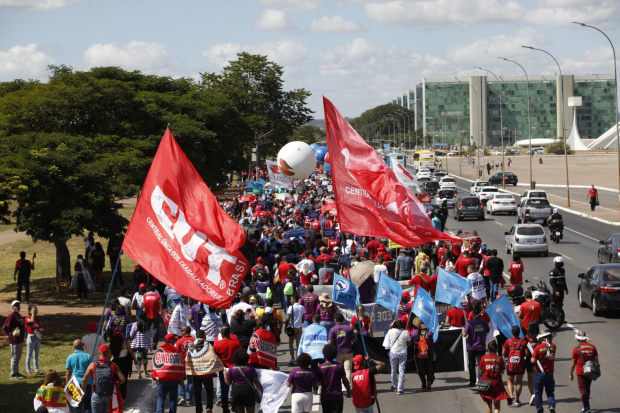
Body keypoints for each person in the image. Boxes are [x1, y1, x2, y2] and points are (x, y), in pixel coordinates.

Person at [81, 344, 126, 413]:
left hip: (96, 394)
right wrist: (118, 383)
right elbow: (123, 379)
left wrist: (82, 390)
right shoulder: (112, 365)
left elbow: (84, 379)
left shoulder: (93, 365)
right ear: (108, 353)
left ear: (99, 353)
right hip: (108, 395)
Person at [151, 334, 184, 413]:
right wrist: (182, 378)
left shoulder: (159, 350)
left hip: (162, 378)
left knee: (161, 397)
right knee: (173, 398)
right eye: (174, 340)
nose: (175, 341)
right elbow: (180, 365)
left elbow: (154, 364)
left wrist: (153, 376)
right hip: (174, 379)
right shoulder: (176, 350)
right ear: (171, 341)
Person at [314, 344, 351, 413]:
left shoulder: (320, 367)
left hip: (325, 396)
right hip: (337, 396)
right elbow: (345, 380)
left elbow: (318, 383)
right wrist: (348, 390)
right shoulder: (339, 366)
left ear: (324, 355)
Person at [225, 348, 263, 413]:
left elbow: (228, 383)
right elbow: (256, 381)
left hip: (236, 391)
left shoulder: (232, 368)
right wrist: (262, 391)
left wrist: (224, 375)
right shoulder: (250, 367)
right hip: (248, 391)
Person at [213, 325, 241, 413]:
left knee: (224, 390)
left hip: (223, 369)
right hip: (235, 368)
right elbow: (241, 354)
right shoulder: (236, 343)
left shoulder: (218, 344)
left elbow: (215, 356)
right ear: (229, 333)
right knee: (235, 389)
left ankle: (225, 409)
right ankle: (234, 406)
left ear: (222, 334)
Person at [569, 331, 599, 412]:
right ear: (586, 338)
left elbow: (573, 363)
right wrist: (596, 373)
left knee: (582, 389)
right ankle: (584, 405)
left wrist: (571, 374)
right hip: (590, 372)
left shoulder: (576, 349)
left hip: (580, 372)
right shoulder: (593, 347)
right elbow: (596, 361)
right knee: (587, 388)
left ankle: (586, 407)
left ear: (578, 340)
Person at [479, 341, 512, 413]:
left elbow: (481, 370)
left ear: (488, 348)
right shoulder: (499, 358)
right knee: (497, 404)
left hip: (486, 383)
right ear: (497, 349)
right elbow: (502, 371)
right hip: (497, 383)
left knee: (488, 403)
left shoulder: (484, 358)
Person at [463, 302, 490, 387]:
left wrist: (462, 329)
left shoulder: (469, 323)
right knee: (480, 365)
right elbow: (488, 330)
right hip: (481, 347)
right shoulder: (484, 322)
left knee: (471, 364)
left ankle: (472, 381)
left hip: (471, 347)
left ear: (473, 314)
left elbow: (464, 334)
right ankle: (481, 381)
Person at [531, 330, 557, 413]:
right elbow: (549, 346)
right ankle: (551, 405)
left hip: (539, 374)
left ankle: (540, 410)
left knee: (538, 393)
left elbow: (533, 360)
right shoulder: (553, 346)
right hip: (549, 374)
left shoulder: (537, 348)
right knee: (550, 392)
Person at [328, 313, 357, 385]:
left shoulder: (333, 329)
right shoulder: (349, 328)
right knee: (347, 370)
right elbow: (354, 340)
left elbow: (330, 342)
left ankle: (340, 386)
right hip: (348, 352)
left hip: (338, 353)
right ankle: (348, 387)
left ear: (336, 320)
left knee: (339, 371)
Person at [190, 330, 215, 413]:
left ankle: (198, 410)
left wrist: (188, 372)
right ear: (204, 336)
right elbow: (213, 357)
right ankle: (209, 407)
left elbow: (188, 359)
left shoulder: (192, 346)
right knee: (210, 392)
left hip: (196, 374)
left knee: (197, 393)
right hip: (207, 373)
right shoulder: (208, 345)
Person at [66, 339, 93, 413]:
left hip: (75, 384)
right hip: (87, 382)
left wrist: (67, 385)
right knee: (87, 404)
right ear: (81, 346)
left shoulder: (70, 357)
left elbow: (68, 373)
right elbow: (91, 371)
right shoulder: (88, 357)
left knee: (77, 405)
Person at [385, 319, 411, 395]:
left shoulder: (390, 331)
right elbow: (409, 344)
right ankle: (400, 389)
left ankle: (394, 386)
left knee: (393, 369)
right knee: (401, 370)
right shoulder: (405, 332)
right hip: (403, 352)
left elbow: (387, 342)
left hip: (393, 352)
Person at [109, 328, 137, 400]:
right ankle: (122, 396)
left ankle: (115, 395)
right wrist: (135, 360)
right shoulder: (125, 343)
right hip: (125, 363)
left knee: (115, 379)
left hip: (115, 362)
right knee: (124, 380)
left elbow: (109, 355)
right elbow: (131, 352)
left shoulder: (111, 344)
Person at [502, 325, 526, 406]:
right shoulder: (523, 341)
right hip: (520, 365)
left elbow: (503, 353)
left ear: (512, 333)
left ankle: (511, 394)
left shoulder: (508, 341)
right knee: (519, 382)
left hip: (510, 365)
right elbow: (527, 353)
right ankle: (517, 400)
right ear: (519, 333)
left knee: (509, 381)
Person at [410, 317, 435, 391]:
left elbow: (410, 342)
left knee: (420, 370)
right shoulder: (430, 332)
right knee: (430, 368)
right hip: (429, 353)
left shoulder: (414, 332)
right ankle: (429, 381)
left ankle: (423, 384)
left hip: (418, 354)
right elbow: (435, 341)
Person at [4, 300, 26, 379]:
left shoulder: (19, 315)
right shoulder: (11, 315)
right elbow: (5, 326)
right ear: (12, 307)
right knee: (14, 356)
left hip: (20, 339)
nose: (17, 307)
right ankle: (13, 373)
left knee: (18, 356)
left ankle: (16, 371)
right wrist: (9, 334)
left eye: (18, 305)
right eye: (15, 305)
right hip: (14, 339)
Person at [130, 312, 153, 379]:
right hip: (145, 345)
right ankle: (145, 371)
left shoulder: (135, 324)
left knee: (138, 360)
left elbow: (131, 334)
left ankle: (139, 373)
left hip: (137, 345)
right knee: (145, 358)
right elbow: (151, 333)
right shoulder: (147, 325)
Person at [142, 285, 163, 350]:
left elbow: (141, 305)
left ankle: (146, 343)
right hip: (155, 315)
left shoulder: (144, 296)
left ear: (147, 290)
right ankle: (153, 344)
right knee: (155, 330)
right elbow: (161, 304)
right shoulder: (158, 296)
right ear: (154, 290)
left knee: (146, 329)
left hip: (146, 315)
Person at [286, 295, 306, 365]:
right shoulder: (302, 307)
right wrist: (300, 323)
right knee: (298, 343)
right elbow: (303, 318)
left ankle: (292, 357)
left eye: (291, 299)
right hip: (299, 327)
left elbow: (288, 318)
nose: (290, 300)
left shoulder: (291, 307)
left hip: (292, 327)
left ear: (294, 299)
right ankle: (298, 357)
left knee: (291, 342)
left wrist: (286, 326)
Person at [25, 304, 43, 376]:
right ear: (29, 311)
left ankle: (36, 370)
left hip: (37, 338)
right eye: (33, 309)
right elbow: (31, 320)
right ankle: (29, 371)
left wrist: (41, 330)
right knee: (29, 355)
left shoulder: (38, 319)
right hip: (31, 337)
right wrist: (32, 313)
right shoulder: (27, 318)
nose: (34, 311)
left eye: (35, 309)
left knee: (36, 355)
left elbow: (41, 327)